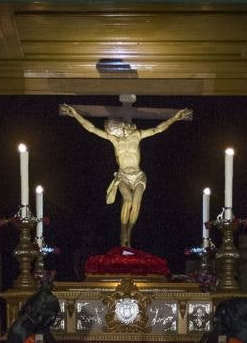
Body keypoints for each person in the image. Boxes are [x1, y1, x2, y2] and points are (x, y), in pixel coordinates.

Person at [60, 103, 191, 247]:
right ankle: (123, 232)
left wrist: (175, 118)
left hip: (138, 176)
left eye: (115, 130)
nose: (114, 133)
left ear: (122, 127)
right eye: (112, 131)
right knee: (127, 200)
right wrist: (75, 115)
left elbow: (158, 129)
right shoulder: (115, 141)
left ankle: (129, 233)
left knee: (136, 203)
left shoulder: (137, 135)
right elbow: (92, 129)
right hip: (122, 176)